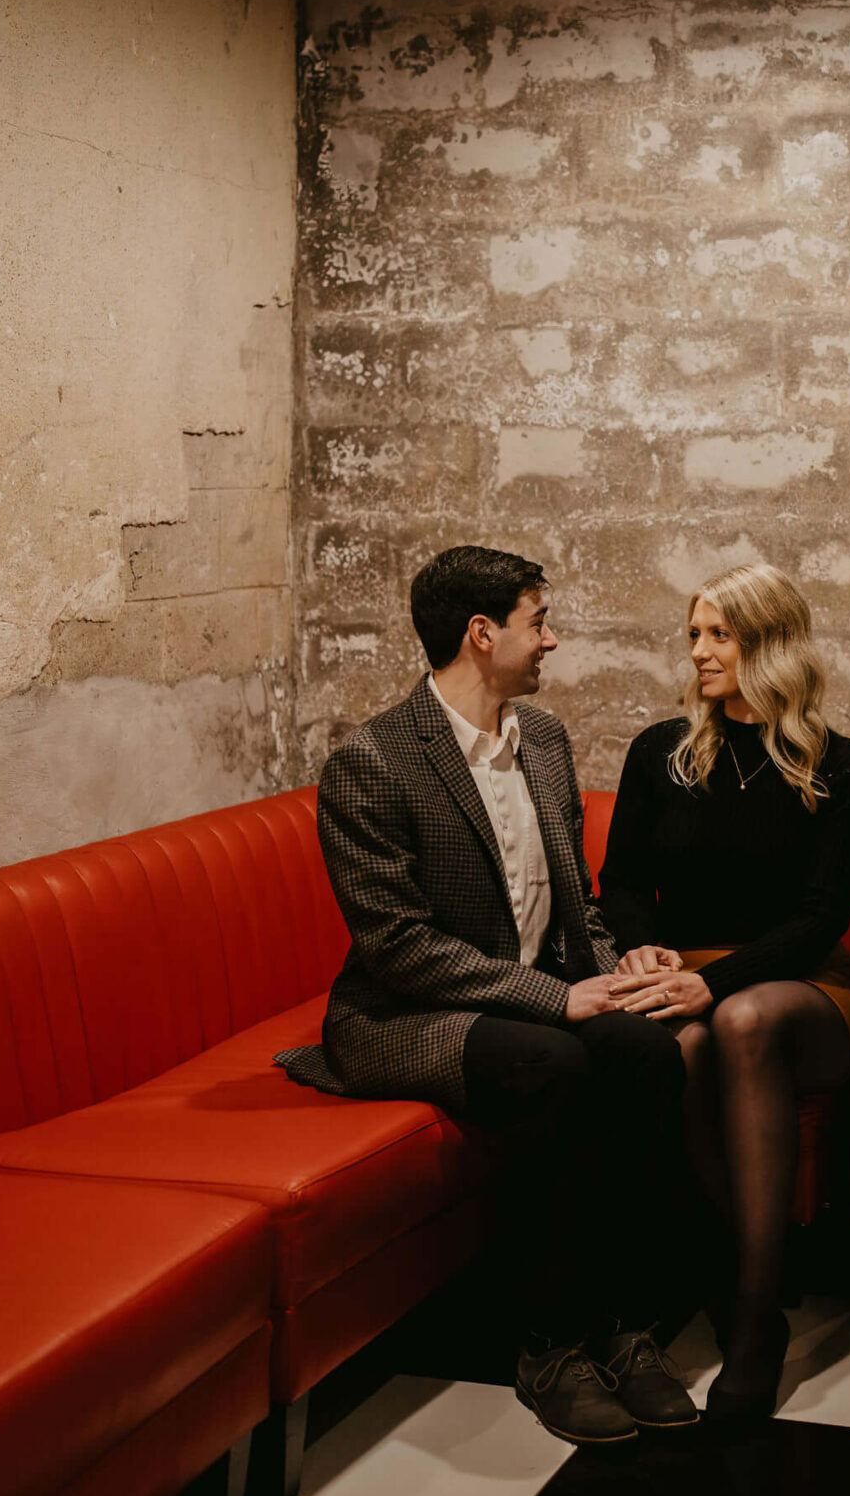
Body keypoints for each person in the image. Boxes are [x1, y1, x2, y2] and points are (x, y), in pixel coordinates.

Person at [279, 544, 699, 1449]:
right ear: (482, 633)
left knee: (646, 1048)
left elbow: (572, 895)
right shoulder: (372, 761)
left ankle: (625, 1325)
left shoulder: (541, 740)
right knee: (552, 1062)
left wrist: (613, 967)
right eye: (536, 620)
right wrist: (555, 1001)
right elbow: (395, 947)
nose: (551, 638)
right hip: (402, 1016)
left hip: (524, 995)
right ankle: (549, 1347)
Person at [599, 561, 850, 1426]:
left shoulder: (844, 768)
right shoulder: (660, 752)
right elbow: (618, 881)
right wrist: (635, 944)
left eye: (718, 634)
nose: (698, 652)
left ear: (769, 641)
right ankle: (727, 1277)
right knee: (683, 1041)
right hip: (688, 975)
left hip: (799, 984)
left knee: (742, 1019)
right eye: (693, 634)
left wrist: (708, 980)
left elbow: (816, 918)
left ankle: (755, 1323)